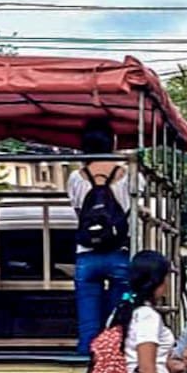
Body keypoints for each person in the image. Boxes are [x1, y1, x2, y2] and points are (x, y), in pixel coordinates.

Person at [67, 118, 130, 355]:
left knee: (88, 326)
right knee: (117, 322)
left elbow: (77, 212)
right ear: (112, 142)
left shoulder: (76, 177)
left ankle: (86, 370)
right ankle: (112, 370)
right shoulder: (127, 174)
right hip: (119, 254)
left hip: (87, 256)